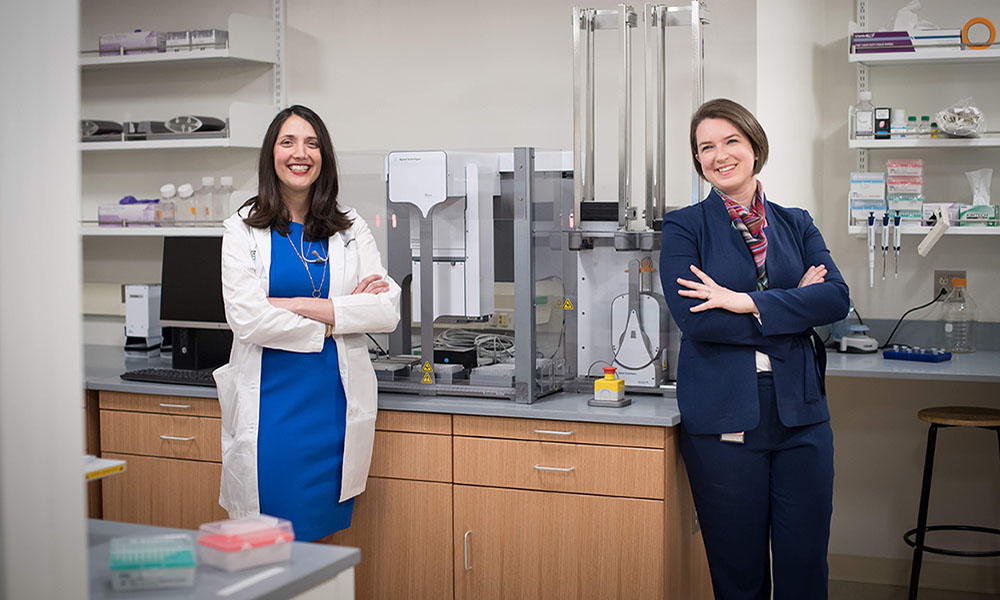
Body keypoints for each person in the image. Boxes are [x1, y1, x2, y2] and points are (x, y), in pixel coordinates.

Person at [659, 98, 849, 599]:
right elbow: (695, 322)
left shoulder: (796, 222)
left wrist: (743, 301)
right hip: (725, 416)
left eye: (731, 141)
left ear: (753, 146)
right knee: (738, 573)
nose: (719, 155)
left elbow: (836, 299)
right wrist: (793, 307)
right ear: (697, 159)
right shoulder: (684, 227)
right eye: (706, 147)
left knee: (804, 568)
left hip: (801, 416)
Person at [213, 105, 400, 542]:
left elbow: (386, 310)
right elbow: (248, 318)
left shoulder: (350, 228)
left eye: (312, 143)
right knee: (267, 545)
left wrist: (297, 304)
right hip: (273, 413)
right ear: (271, 155)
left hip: (333, 411)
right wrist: (339, 316)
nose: (301, 153)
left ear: (324, 156)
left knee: (319, 549)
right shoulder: (241, 230)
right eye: (288, 142)